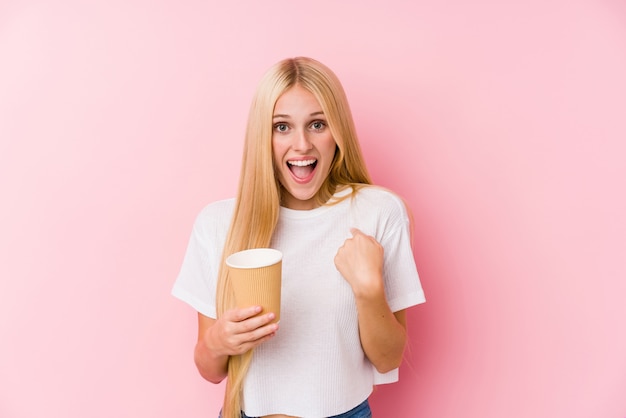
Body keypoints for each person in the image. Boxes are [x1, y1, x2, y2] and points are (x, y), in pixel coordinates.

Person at [172, 57, 426, 418]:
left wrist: (369, 289)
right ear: (263, 135)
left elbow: (387, 359)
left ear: (338, 132)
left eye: (317, 124)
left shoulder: (379, 212)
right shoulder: (218, 223)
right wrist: (219, 341)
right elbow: (209, 369)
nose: (302, 144)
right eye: (282, 127)